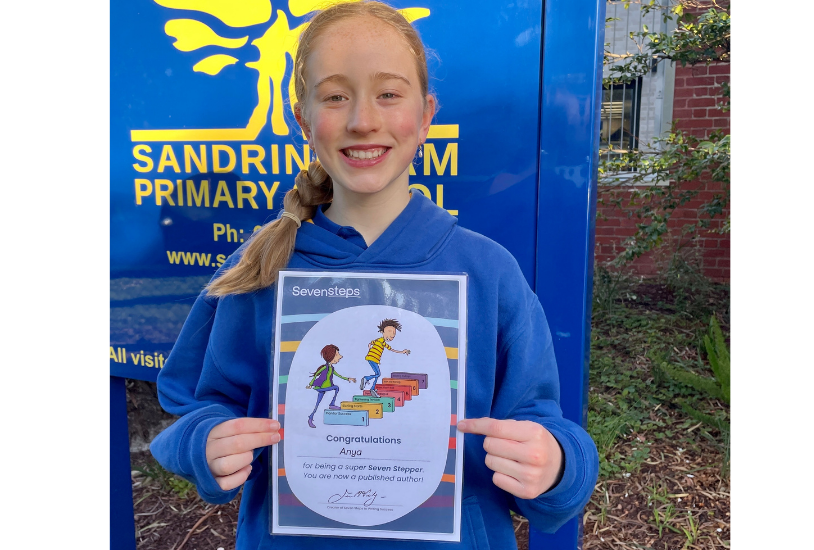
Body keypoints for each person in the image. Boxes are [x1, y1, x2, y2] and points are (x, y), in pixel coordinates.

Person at [150, 2, 598, 549]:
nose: (363, 119)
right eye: (336, 96)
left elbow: (543, 425)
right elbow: (189, 404)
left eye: (388, 93)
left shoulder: (489, 274)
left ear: (426, 113)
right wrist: (204, 442)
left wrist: (554, 466)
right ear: (303, 119)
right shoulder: (258, 274)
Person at [307, 344, 356, 428]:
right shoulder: (325, 367)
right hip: (321, 387)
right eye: (337, 354)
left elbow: (339, 375)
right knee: (336, 388)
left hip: (326, 387)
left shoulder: (331, 368)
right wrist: (310, 385)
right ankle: (331, 404)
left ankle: (311, 418)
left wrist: (348, 379)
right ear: (331, 356)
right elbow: (316, 375)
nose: (339, 357)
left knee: (317, 403)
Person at [361, 318, 410, 397]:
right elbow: (374, 343)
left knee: (377, 374)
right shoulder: (380, 341)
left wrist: (402, 351)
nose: (392, 335)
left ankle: (372, 388)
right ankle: (367, 380)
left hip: (373, 359)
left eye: (393, 333)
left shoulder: (382, 342)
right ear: (382, 332)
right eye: (389, 332)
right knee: (378, 374)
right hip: (372, 358)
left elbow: (391, 349)